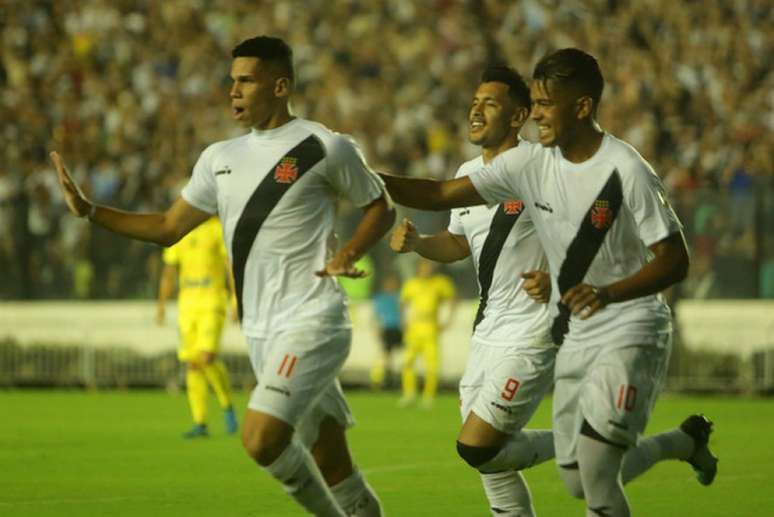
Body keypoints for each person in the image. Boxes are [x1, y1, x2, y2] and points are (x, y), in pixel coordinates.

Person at [51, 35, 393, 517]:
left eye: (245, 81)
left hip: (313, 318)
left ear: (280, 86)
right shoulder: (219, 158)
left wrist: (349, 252)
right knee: (336, 468)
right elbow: (169, 228)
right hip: (261, 331)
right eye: (231, 81)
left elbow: (380, 206)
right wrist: (90, 211)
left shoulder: (323, 146)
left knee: (260, 439)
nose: (232, 91)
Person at [379, 48, 717, 517]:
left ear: (580, 107)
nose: (537, 113)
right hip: (520, 325)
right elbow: (442, 205)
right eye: (534, 103)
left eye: (543, 103)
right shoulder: (515, 169)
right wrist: (360, 181)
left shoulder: (616, 168)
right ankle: (681, 441)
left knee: (553, 466)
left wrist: (587, 287)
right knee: (556, 471)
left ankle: (614, 446)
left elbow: (672, 260)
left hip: (602, 323)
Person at [390, 65, 556, 516]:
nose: (476, 110)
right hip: (487, 332)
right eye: (475, 101)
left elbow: (586, 238)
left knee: (477, 446)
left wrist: (558, 280)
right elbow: (460, 243)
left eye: (491, 103)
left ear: (519, 115)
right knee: (492, 465)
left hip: (533, 327)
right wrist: (422, 245)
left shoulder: (540, 166)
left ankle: (584, 437)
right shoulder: (468, 173)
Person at [156, 215, 238, 438]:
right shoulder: (179, 232)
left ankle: (227, 405)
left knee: (206, 357)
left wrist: (235, 300)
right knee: (193, 365)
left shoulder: (217, 228)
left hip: (212, 302)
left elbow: (229, 265)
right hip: (187, 307)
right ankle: (200, 422)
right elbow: (169, 271)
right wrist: (161, 304)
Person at [397, 257, 456, 408]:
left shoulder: (440, 283)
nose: (426, 270)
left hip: (431, 327)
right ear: (419, 269)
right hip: (414, 328)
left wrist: (448, 320)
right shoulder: (412, 284)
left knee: (432, 364)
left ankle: (428, 396)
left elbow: (452, 300)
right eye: (423, 267)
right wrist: (403, 321)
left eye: (429, 267)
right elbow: (403, 303)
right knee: (408, 362)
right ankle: (409, 394)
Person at [369, 272, 403, 390]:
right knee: (386, 355)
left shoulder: (399, 296)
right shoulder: (381, 298)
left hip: (398, 329)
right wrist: (376, 329)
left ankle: (390, 378)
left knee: (394, 356)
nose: (392, 285)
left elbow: (403, 312)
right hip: (387, 329)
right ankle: (379, 379)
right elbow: (375, 316)